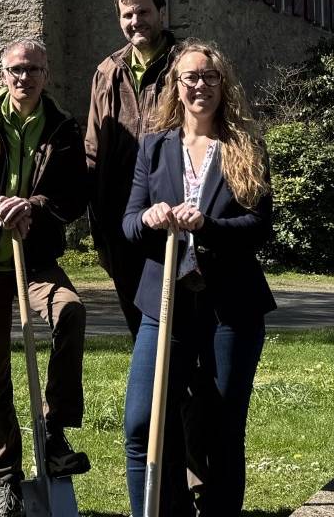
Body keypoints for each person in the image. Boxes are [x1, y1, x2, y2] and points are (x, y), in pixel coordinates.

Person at [121, 41, 276, 517]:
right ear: (176, 85)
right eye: (190, 77)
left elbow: (259, 227)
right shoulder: (154, 147)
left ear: (222, 84)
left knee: (222, 426)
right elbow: (127, 223)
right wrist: (150, 218)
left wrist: (206, 226)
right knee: (143, 423)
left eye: (209, 77)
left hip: (230, 307)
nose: (200, 86)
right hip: (164, 303)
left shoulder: (245, 148)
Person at [0, 37, 91, 517]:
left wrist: (32, 206)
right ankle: (7, 482)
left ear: (47, 74)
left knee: (71, 312)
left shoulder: (62, 128)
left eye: (34, 69)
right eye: (16, 69)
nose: (25, 77)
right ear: (3, 73)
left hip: (35, 262)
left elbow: (74, 197)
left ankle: (53, 431)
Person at [86, 0, 178, 336]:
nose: (135, 20)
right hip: (120, 216)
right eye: (128, 15)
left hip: (171, 210)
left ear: (162, 13)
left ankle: (181, 389)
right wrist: (98, 225)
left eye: (143, 11)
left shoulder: (183, 65)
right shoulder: (107, 72)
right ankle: (153, 388)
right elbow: (92, 149)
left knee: (176, 318)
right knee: (138, 320)